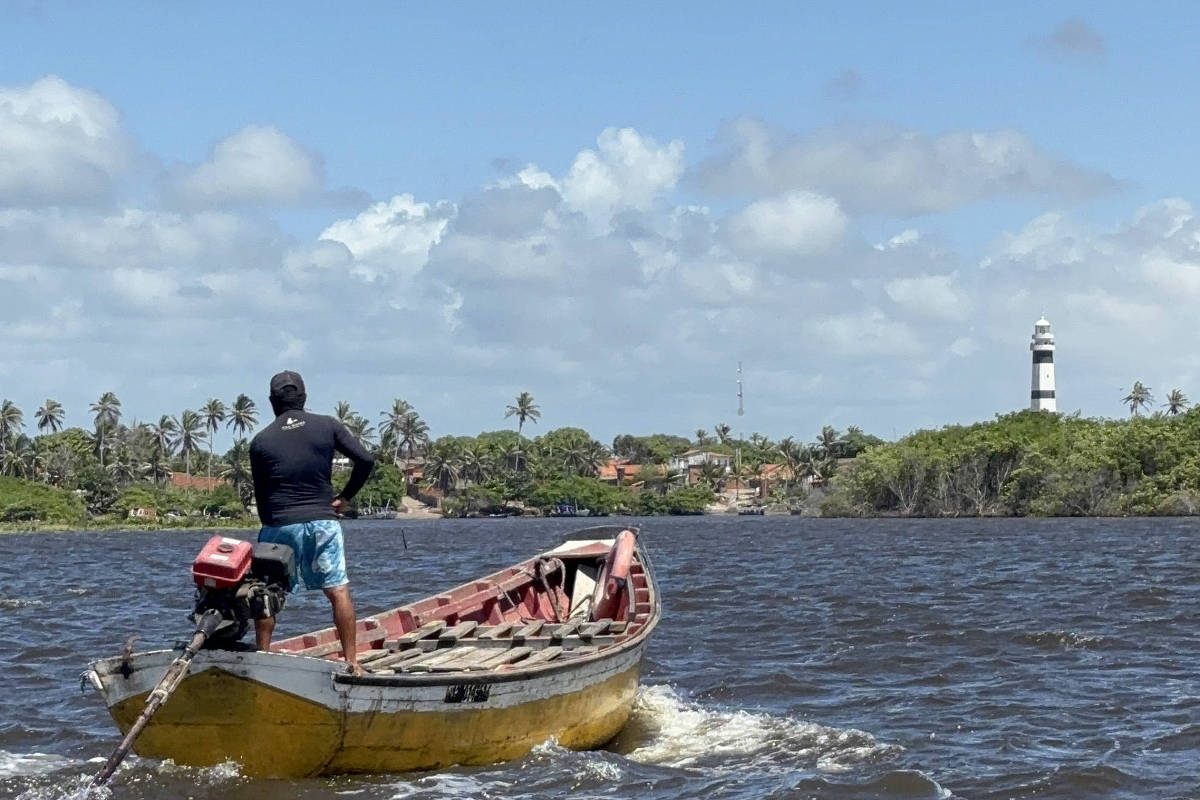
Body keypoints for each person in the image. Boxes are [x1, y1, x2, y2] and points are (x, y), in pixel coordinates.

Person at [249, 370, 375, 674]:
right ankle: (352, 662)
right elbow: (366, 460)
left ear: (272, 402)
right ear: (303, 398)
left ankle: (263, 660)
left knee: (267, 594)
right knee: (337, 591)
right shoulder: (327, 426)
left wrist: (273, 527)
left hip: (280, 524)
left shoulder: (261, 441)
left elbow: (263, 499)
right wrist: (344, 498)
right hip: (322, 522)